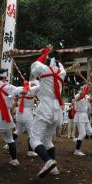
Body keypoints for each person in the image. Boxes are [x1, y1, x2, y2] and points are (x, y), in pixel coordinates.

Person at [29, 46, 66, 177]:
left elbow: (34, 68)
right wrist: (50, 55)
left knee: (33, 140)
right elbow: (55, 65)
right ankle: (54, 168)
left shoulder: (44, 69)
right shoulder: (62, 72)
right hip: (57, 110)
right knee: (47, 139)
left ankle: (48, 161)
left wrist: (44, 54)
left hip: (45, 107)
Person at [3, 80, 40, 157]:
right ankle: (30, 151)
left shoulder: (19, 89)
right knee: (31, 133)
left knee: (18, 131)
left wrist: (29, 83)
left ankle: (8, 144)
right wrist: (33, 82)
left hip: (19, 112)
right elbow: (39, 85)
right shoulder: (32, 90)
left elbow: (11, 93)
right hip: (27, 113)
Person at [73, 85, 92, 156]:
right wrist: (86, 88)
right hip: (79, 115)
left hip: (85, 116)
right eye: (85, 89)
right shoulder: (77, 95)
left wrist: (91, 89)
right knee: (83, 134)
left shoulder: (86, 96)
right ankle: (77, 151)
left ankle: (77, 140)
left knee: (90, 132)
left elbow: (90, 98)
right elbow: (79, 97)